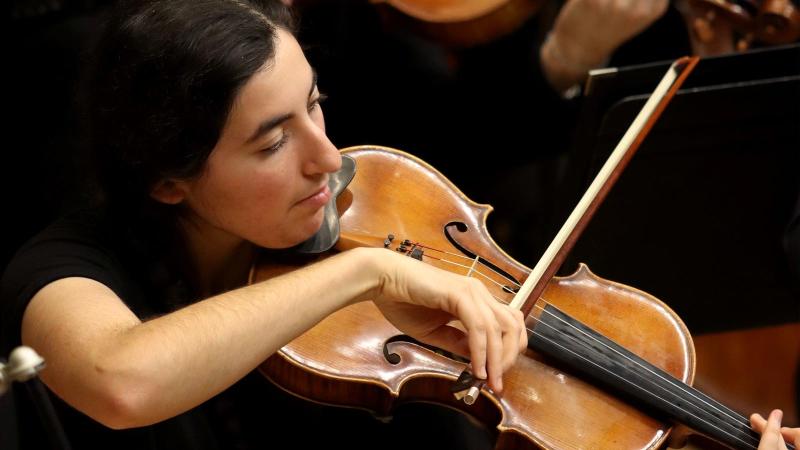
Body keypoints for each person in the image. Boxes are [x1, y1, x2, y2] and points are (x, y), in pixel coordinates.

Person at [0, 0, 527, 448]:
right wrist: (365, 273)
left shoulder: (347, 223)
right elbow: (121, 382)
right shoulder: (60, 267)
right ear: (166, 180)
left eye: (314, 103)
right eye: (274, 143)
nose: (326, 157)